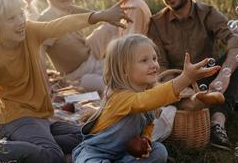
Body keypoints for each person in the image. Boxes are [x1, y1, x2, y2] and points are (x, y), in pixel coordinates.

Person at [0, 0, 133, 163]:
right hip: (16, 121)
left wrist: (99, 15)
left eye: (21, 14)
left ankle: (22, 144)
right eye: (11, 18)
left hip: (41, 119)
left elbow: (58, 25)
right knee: (53, 156)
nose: (20, 21)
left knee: (88, 137)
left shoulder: (29, 31)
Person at [148, 0, 238, 150]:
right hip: (177, 85)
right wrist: (182, 88)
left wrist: (224, 74)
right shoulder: (156, 23)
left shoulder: (207, 13)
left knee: (236, 59)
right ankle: (223, 103)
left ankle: (216, 124)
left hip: (210, 80)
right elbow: (160, 66)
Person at [72, 34, 221, 162]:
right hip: (96, 152)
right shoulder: (120, 97)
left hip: (125, 153)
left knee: (159, 151)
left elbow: (148, 124)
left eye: (154, 58)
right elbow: (146, 100)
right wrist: (185, 78)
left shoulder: (148, 94)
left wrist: (146, 140)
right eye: (144, 60)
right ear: (125, 70)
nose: (153, 65)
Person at [38, 0, 105, 93]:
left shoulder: (70, 9)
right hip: (77, 73)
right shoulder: (47, 19)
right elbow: (40, 53)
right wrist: (46, 84)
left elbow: (96, 15)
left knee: (125, 70)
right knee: (115, 83)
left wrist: (112, 14)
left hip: (91, 60)